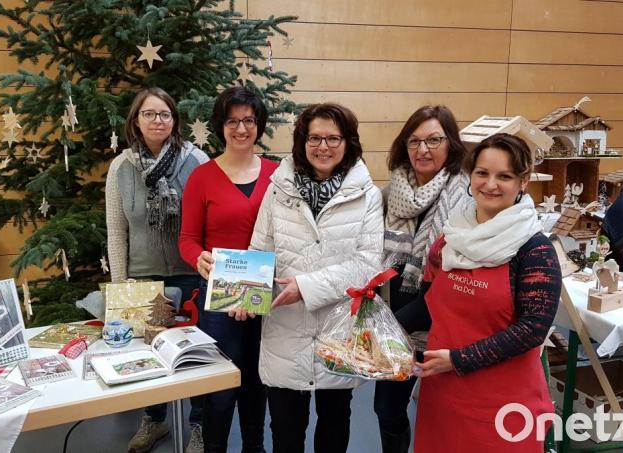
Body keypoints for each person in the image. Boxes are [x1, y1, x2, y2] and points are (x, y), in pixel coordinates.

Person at [248, 103, 384, 453]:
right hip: (285, 330)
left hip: (338, 333)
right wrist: (244, 293)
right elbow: (259, 250)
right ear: (302, 141)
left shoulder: (366, 195)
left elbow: (368, 265)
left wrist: (305, 288)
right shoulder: (278, 188)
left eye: (333, 138)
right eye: (315, 138)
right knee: (286, 434)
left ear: (348, 142)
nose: (323, 147)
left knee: (334, 430)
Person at [413, 133, 561, 452]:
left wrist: (459, 359)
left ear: (522, 182)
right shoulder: (448, 241)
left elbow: (533, 329)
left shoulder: (534, 250)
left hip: (504, 405)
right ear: (471, 176)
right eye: (482, 173)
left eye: (504, 176)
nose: (490, 184)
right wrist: (371, 326)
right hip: (443, 395)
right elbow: (425, 305)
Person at [105, 87, 208, 453]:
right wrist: (121, 288)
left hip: (191, 273)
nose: (157, 121)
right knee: (149, 354)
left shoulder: (196, 161)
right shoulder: (120, 168)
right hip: (143, 278)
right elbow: (117, 231)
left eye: (164, 114)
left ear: (174, 120)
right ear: (136, 120)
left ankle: (199, 425)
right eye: (149, 114)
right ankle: (155, 420)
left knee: (194, 355)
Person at [179, 86, 277, 453]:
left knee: (257, 385)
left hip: (265, 296)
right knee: (219, 392)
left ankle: (255, 447)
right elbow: (187, 239)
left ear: (258, 125)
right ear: (221, 126)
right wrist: (197, 257)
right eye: (233, 121)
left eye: (248, 120)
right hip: (218, 300)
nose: (241, 129)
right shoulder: (202, 177)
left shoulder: (277, 174)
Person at [374, 105, 469, 452]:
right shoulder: (389, 195)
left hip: (438, 318)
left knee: (442, 413)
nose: (423, 150)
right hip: (392, 315)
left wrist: (395, 325)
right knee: (386, 408)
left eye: (433, 140)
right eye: (414, 141)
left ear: (451, 145)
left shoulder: (466, 198)